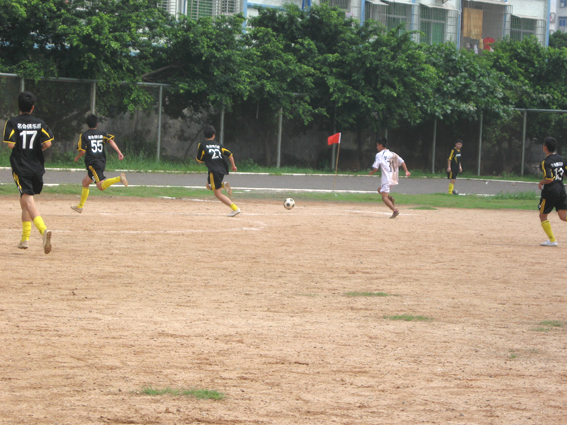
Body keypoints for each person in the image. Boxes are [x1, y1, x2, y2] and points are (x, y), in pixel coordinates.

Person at [2, 91, 54, 254]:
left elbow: (11, 144)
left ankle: (43, 230)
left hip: (21, 167)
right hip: (36, 167)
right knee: (24, 201)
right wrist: (35, 148)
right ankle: (25, 238)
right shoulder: (40, 123)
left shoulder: (12, 122)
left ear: (18, 106)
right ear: (32, 107)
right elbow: (48, 143)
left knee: (29, 201)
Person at [70, 114, 128, 213]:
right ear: (97, 124)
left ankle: (119, 179)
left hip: (92, 163)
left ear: (87, 124)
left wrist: (77, 157)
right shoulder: (102, 134)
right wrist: (119, 152)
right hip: (101, 161)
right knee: (85, 182)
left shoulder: (84, 135)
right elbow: (110, 141)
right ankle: (80, 206)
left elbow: (83, 151)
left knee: (100, 187)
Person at [196, 125, 240, 217]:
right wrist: (233, 166)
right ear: (214, 135)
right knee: (208, 185)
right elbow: (230, 154)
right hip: (221, 169)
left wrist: (203, 157)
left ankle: (235, 208)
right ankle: (223, 185)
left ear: (204, 135)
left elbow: (199, 160)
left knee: (218, 194)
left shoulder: (202, 145)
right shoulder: (218, 145)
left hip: (214, 171)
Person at [368, 137, 411, 219]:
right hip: (394, 178)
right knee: (379, 190)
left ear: (381, 145)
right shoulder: (393, 154)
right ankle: (390, 198)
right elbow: (402, 161)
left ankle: (395, 210)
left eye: (377, 145)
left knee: (384, 197)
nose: (377, 147)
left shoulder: (379, 155)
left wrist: (371, 172)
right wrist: (406, 171)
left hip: (387, 178)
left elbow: (376, 168)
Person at [537, 136, 567, 247]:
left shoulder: (545, 162)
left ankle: (552, 240)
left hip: (550, 191)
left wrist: (541, 182)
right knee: (563, 216)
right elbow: (565, 174)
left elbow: (549, 179)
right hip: (561, 189)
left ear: (545, 147)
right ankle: (552, 240)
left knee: (543, 216)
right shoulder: (562, 159)